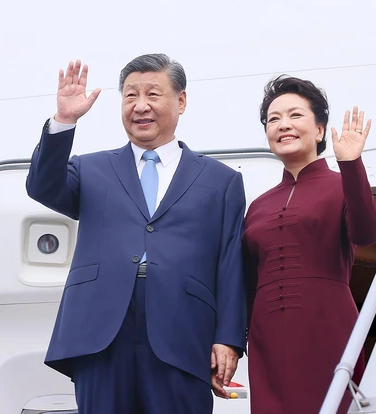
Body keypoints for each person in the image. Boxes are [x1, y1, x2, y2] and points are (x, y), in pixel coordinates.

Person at [25, 54, 247, 414]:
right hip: (101, 333)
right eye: (130, 95)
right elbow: (42, 186)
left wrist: (229, 339)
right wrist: (64, 120)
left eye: (153, 94)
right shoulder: (90, 168)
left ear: (181, 101)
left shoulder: (221, 180)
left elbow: (230, 263)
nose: (140, 106)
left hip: (183, 332)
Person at [241, 75, 376, 414]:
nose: (283, 125)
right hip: (266, 336)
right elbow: (245, 282)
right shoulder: (257, 206)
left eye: (295, 115)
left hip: (328, 324)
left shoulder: (341, 184)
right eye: (273, 119)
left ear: (319, 130)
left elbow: (367, 233)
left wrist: (351, 163)